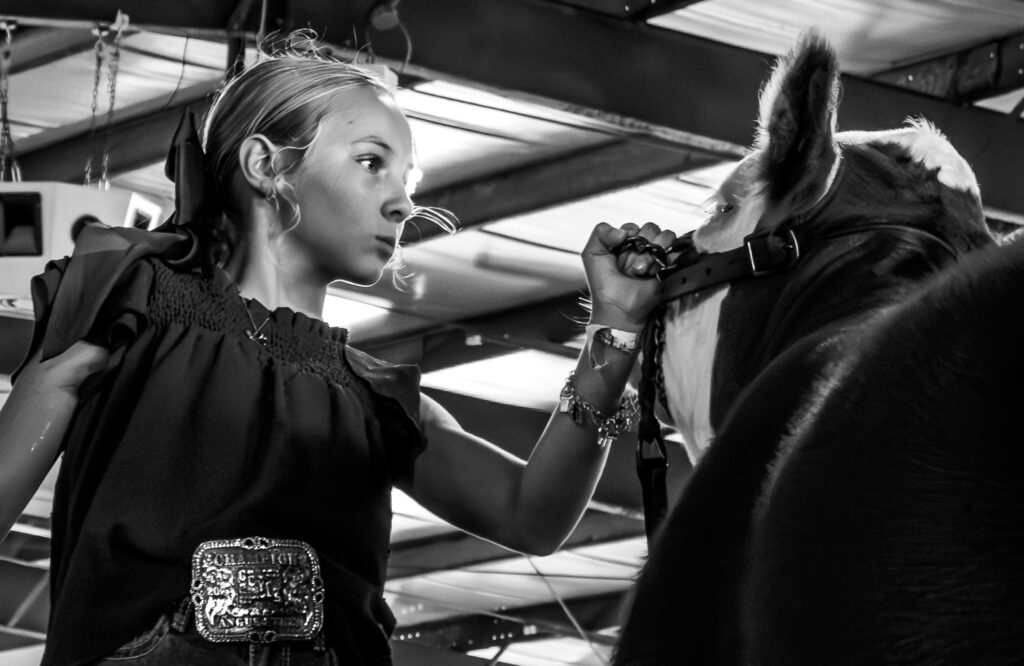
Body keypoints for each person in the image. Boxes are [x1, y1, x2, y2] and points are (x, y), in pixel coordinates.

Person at [0, 36, 677, 666]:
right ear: (267, 166)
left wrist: (612, 333)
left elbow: (530, 514)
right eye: (370, 163)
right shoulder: (129, 300)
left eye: (407, 177)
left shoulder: (377, 397)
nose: (404, 203)